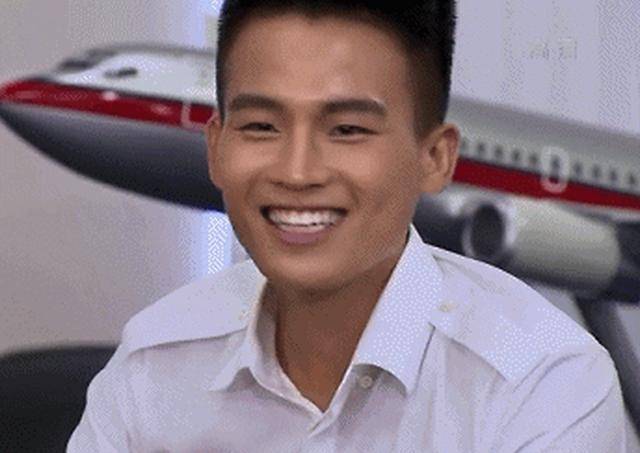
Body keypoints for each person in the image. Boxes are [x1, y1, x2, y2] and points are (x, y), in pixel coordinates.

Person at [68, 1, 627, 451]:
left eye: (348, 130)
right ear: (215, 148)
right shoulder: (154, 362)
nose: (297, 172)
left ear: (435, 157)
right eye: (261, 126)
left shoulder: (542, 380)